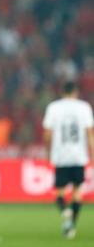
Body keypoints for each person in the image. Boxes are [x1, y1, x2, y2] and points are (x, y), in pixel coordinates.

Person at [43, 81, 94, 239]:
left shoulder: (54, 107)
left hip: (61, 155)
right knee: (78, 191)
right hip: (79, 156)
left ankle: (66, 212)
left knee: (59, 193)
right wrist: (92, 154)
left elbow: (47, 133)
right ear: (76, 92)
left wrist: (48, 151)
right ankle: (71, 225)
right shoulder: (84, 107)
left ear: (62, 92)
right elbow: (89, 133)